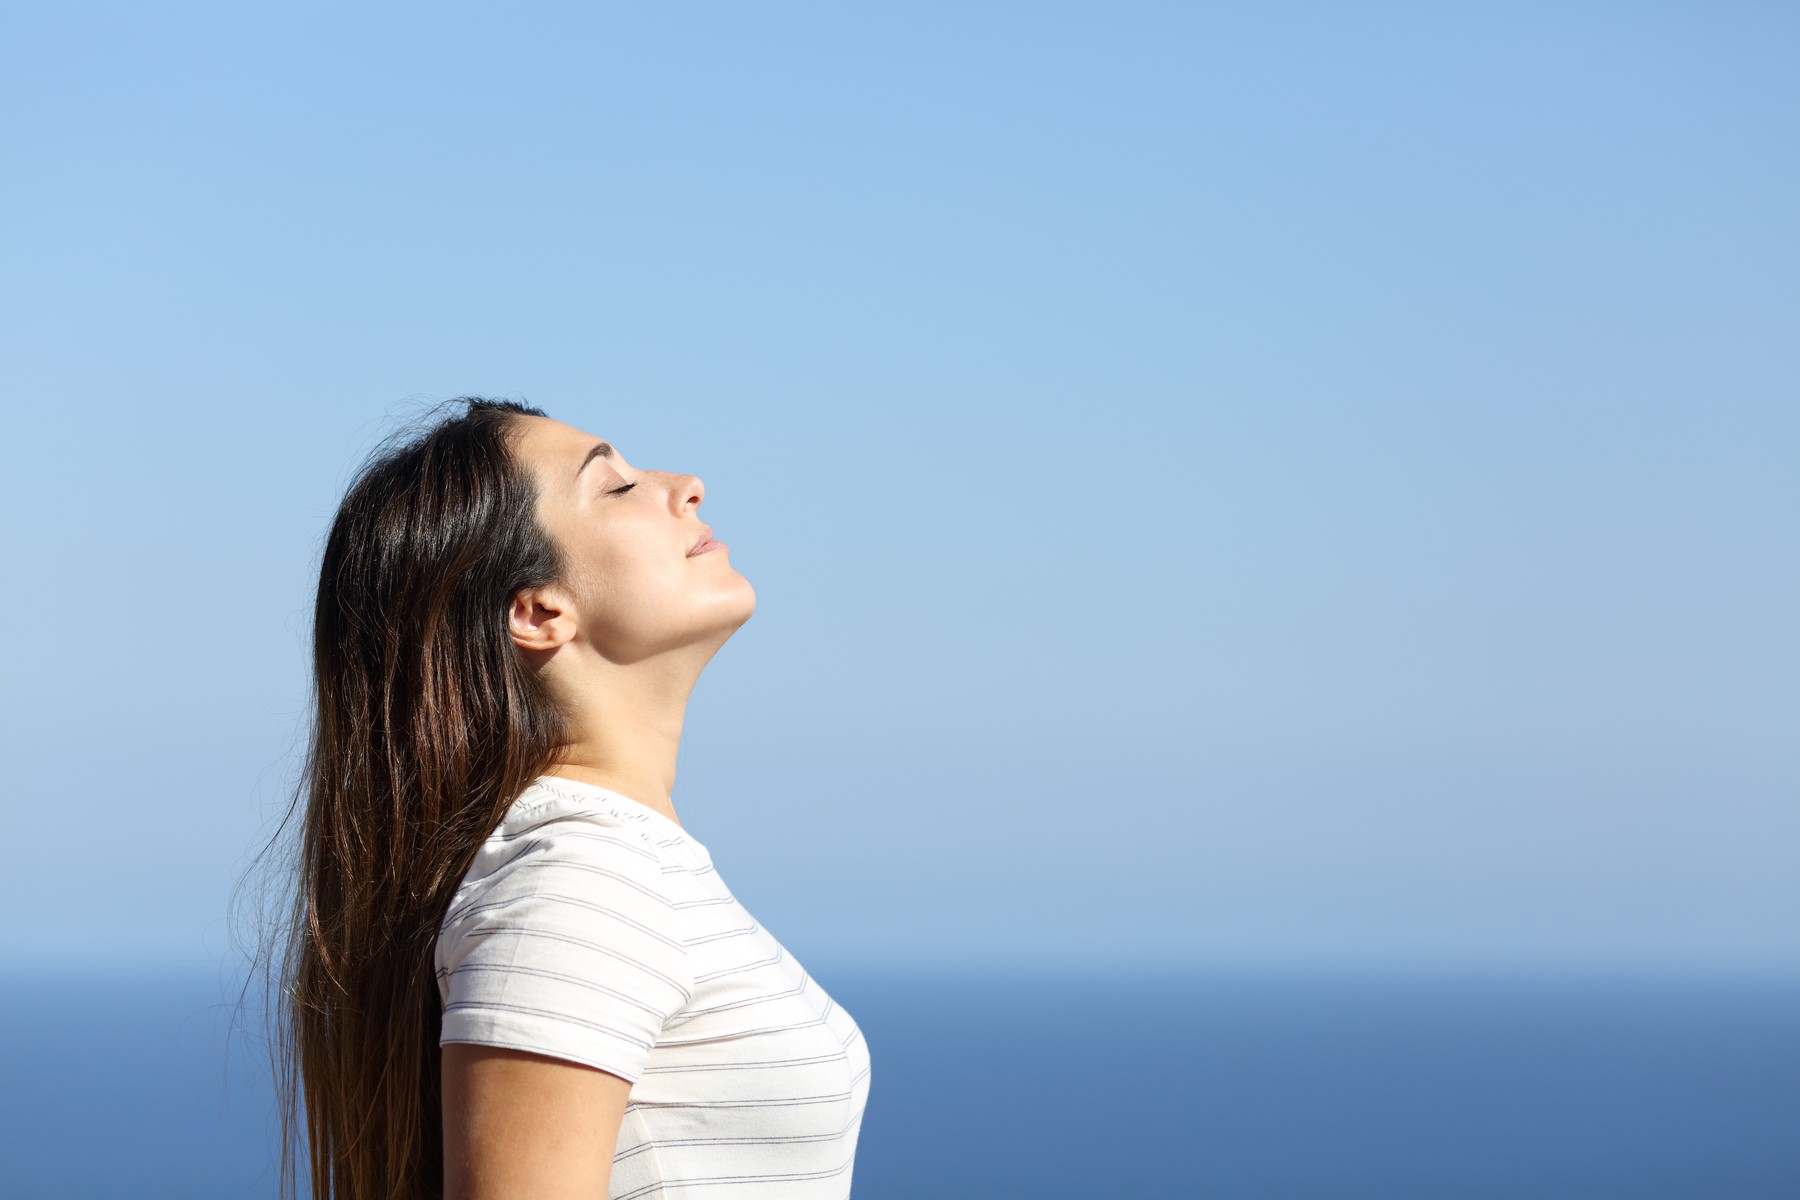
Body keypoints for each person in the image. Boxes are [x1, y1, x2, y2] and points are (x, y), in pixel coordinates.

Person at [268, 397, 872, 1199]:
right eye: (615, 487)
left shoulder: (606, 859)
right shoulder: (581, 875)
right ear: (538, 610)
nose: (686, 486)